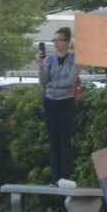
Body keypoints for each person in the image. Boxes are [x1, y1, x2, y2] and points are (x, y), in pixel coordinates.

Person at [38, 27, 82, 186]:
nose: (56, 43)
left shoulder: (74, 59)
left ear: (67, 42)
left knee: (65, 139)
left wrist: (52, 85)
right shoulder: (49, 60)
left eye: (59, 40)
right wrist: (41, 65)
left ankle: (65, 176)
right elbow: (43, 82)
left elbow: (70, 81)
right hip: (50, 101)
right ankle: (54, 178)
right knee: (53, 140)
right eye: (54, 40)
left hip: (66, 102)